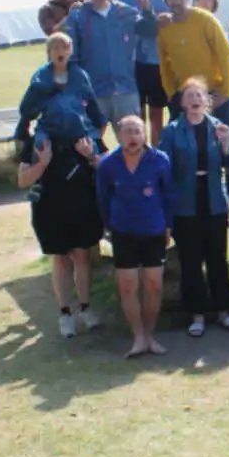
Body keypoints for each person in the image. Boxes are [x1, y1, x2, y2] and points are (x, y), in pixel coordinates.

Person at [157, 77, 229, 337]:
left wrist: (227, 145)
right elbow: (164, 169)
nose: (194, 100)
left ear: (207, 102)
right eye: (189, 96)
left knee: (218, 259)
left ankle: (224, 310)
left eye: (199, 96)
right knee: (191, 261)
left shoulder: (218, 127)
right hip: (185, 204)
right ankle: (197, 315)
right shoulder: (172, 131)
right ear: (182, 103)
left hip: (214, 201)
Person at [96, 116, 174, 357]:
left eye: (137, 132)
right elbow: (102, 199)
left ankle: (149, 334)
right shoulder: (108, 164)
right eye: (128, 132)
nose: (133, 137)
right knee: (128, 286)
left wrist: (168, 226)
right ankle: (138, 337)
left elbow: (169, 196)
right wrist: (109, 227)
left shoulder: (159, 160)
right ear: (119, 136)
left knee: (154, 285)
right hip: (123, 232)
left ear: (145, 135)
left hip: (153, 231)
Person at [16, 126, 103, 340]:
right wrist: (43, 163)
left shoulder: (85, 133)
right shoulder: (39, 139)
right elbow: (22, 180)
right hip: (50, 209)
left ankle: (85, 307)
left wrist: (91, 155)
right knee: (61, 259)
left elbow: (108, 167)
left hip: (83, 205)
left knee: (83, 256)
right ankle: (65, 313)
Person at [65, 0, 156, 133]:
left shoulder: (125, 12)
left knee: (132, 143)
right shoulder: (78, 16)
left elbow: (150, 31)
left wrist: (147, 10)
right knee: (91, 145)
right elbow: (72, 56)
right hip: (93, 92)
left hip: (125, 89)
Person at [15, 33, 106, 183]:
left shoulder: (80, 76)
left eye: (64, 48)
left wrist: (99, 124)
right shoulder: (40, 78)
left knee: (93, 148)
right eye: (55, 48)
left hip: (77, 128)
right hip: (50, 129)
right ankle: (39, 186)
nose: (60, 52)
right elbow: (27, 108)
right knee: (40, 146)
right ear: (49, 53)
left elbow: (92, 105)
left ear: (70, 51)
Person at [157, 0, 229, 127]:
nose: (176, 1)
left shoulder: (206, 20)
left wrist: (226, 91)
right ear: (166, 0)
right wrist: (170, 92)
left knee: (222, 142)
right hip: (183, 95)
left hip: (212, 92)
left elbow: (226, 55)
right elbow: (164, 62)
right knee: (179, 143)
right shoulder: (165, 27)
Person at [116, 0, 172, 147]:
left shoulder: (161, 0)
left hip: (156, 64)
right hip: (132, 65)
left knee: (157, 115)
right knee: (137, 114)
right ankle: (139, 151)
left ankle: (155, 153)